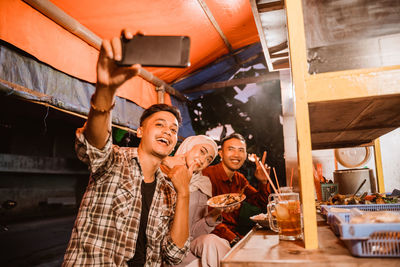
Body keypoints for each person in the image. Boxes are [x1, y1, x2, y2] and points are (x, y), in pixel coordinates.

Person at [62, 30, 193, 266]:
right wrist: (105, 90)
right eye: (160, 125)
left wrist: (184, 193)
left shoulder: (170, 188)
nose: (168, 132)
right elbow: (93, 146)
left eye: (173, 130)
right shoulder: (114, 161)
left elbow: (174, 255)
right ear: (140, 131)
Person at [161, 135, 231, 267]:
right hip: (163, 251)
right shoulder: (161, 172)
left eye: (209, 159)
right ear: (188, 146)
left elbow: (193, 232)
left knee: (213, 242)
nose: (203, 159)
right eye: (202, 151)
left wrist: (215, 214)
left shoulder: (202, 184)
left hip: (187, 246)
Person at [202, 133, 271, 247]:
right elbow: (206, 219)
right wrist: (235, 240)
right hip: (211, 237)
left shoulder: (239, 179)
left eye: (241, 150)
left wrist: (263, 182)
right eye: (231, 149)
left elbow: (261, 203)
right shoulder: (207, 175)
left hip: (233, 235)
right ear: (221, 153)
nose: (236, 155)